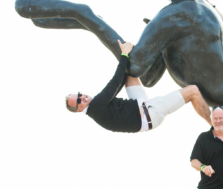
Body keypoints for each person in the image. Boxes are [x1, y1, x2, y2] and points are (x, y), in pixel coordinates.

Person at [65, 39, 212, 130]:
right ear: (79, 110)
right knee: (193, 91)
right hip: (151, 113)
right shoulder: (96, 106)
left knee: (129, 71)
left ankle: (153, 63)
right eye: (78, 101)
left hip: (139, 107)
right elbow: (115, 82)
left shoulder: (96, 107)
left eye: (79, 94)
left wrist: (126, 57)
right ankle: (214, 126)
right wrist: (123, 55)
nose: (82, 97)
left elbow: (119, 83)